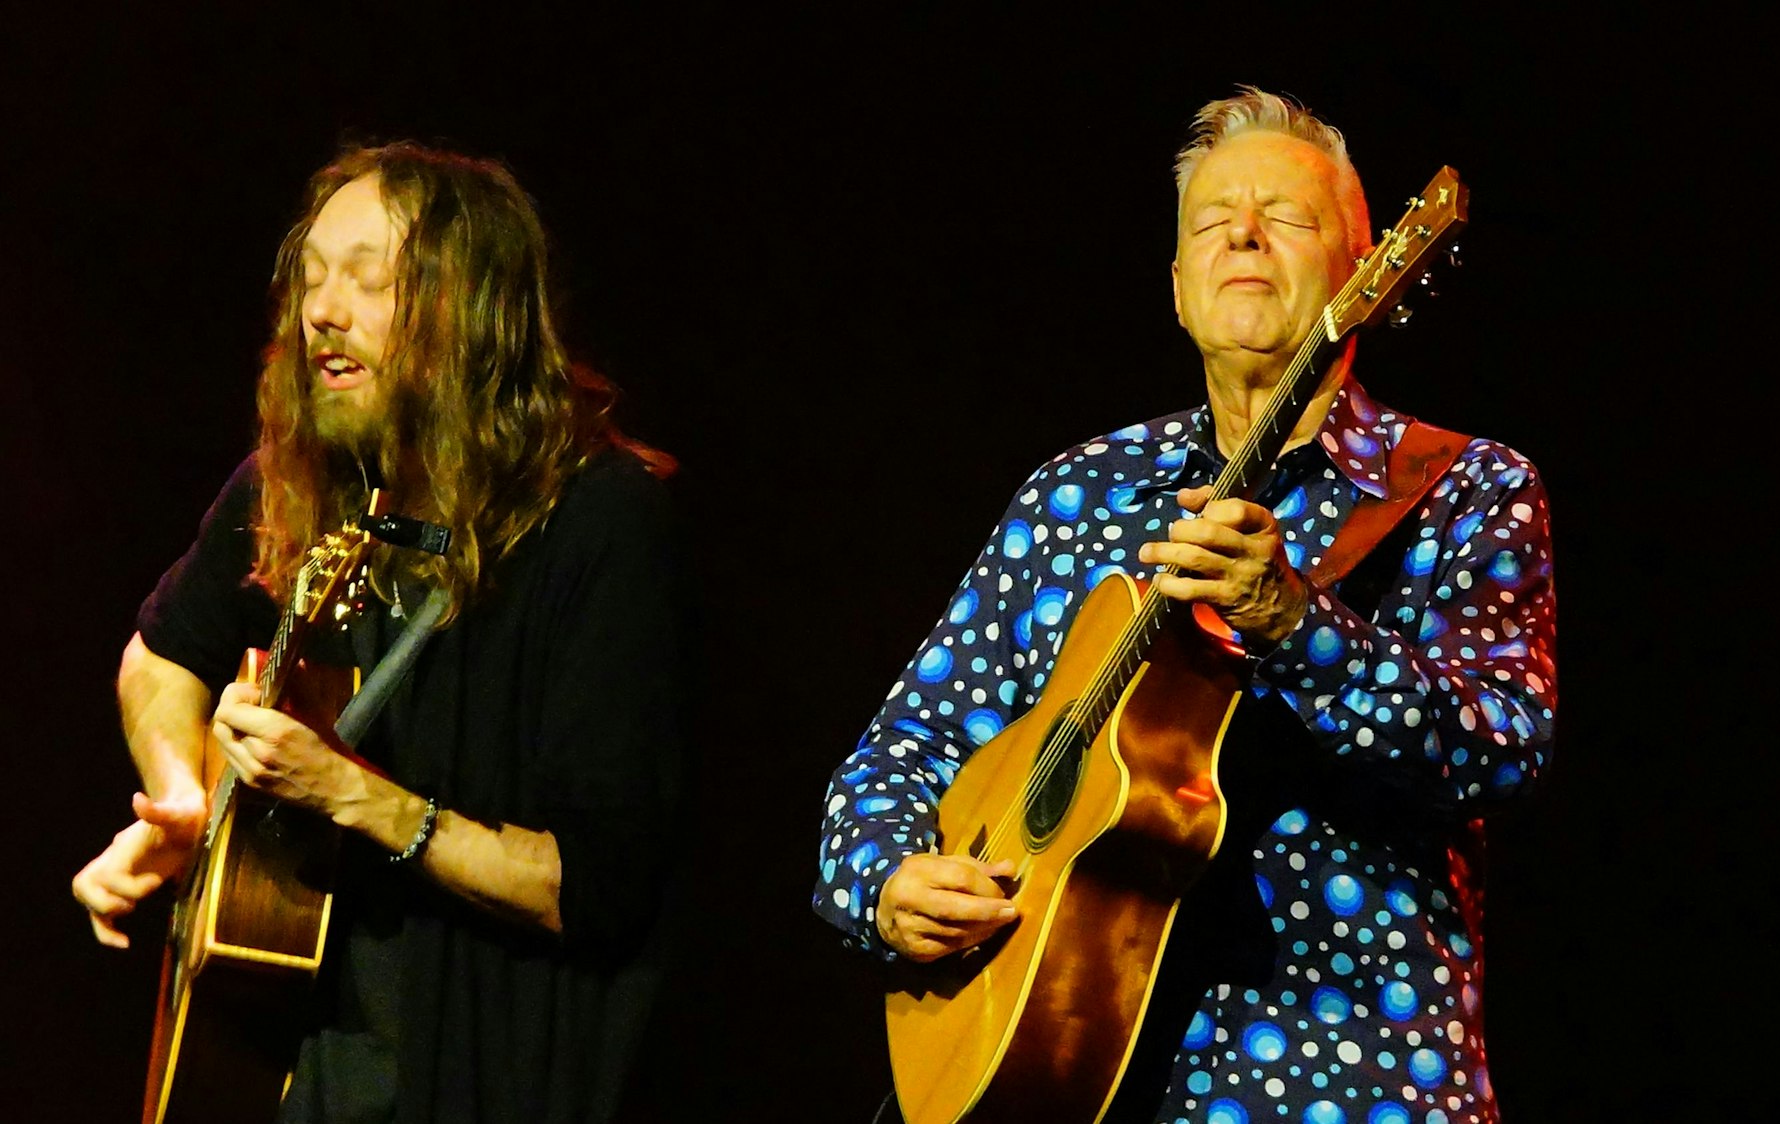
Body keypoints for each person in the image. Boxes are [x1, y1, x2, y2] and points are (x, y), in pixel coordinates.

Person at [813, 87, 1555, 1124]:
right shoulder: (1079, 492)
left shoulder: (1464, 489)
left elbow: (1501, 746)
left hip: (1346, 1073)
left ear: (1366, 273)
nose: (1243, 235)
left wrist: (1299, 625)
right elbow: (900, 750)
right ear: (1175, 285)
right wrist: (888, 882)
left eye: (1286, 218)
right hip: (1069, 1068)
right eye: (1212, 222)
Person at [70, 142, 685, 1123]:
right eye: (311, 277)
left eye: (366, 277)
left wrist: (358, 798)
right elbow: (160, 655)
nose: (321, 309)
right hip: (291, 1073)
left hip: (484, 1076)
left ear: (468, 307)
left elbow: (598, 884)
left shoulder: (598, 524)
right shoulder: (296, 481)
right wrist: (185, 797)